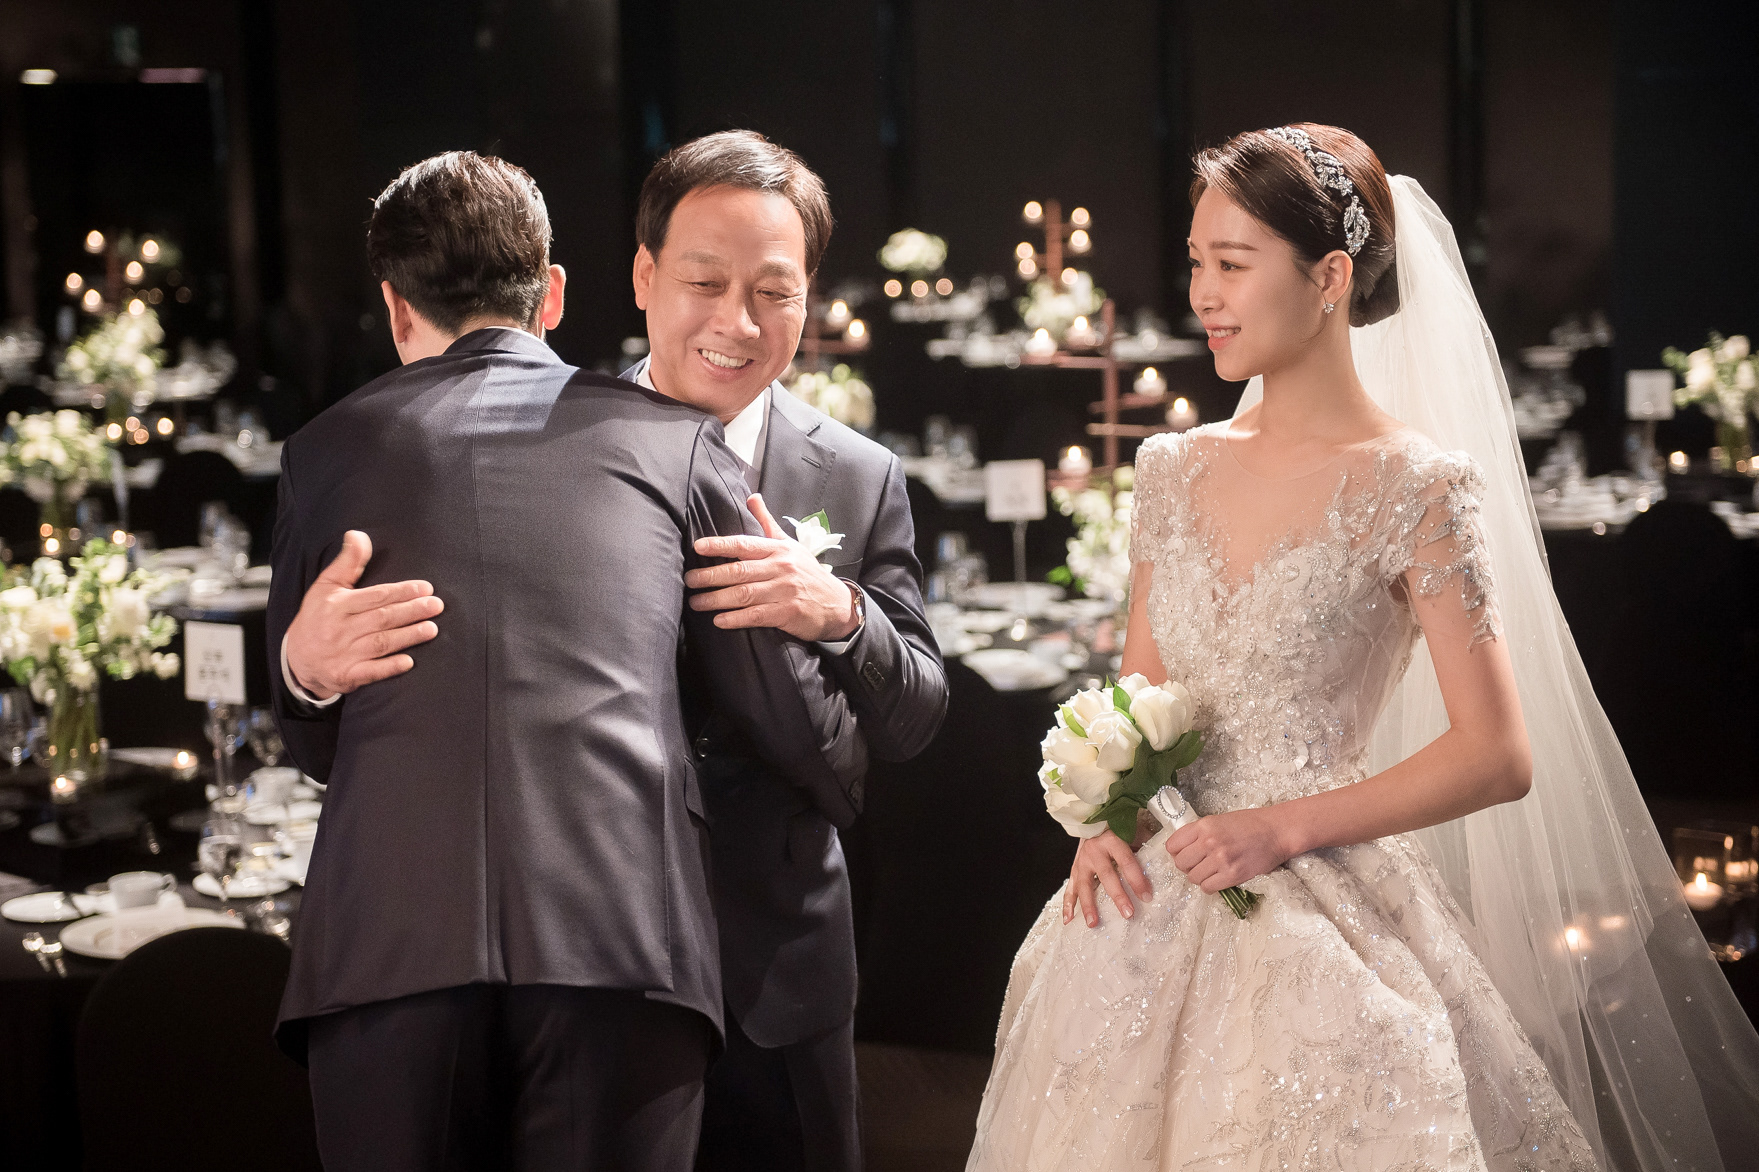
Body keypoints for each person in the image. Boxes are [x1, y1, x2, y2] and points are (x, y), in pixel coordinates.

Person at [967, 124, 1759, 1171]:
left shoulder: (1417, 485)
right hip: (1150, 894)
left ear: (1330, 278)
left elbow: (1495, 753)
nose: (1202, 295)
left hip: (1324, 895)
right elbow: (1139, 692)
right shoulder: (1171, 468)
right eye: (1196, 263)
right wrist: (1106, 817)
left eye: (1232, 265)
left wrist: (1276, 828)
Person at [282, 130, 948, 1172]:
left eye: (773, 292)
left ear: (809, 296)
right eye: (704, 283)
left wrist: (840, 612)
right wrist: (306, 666)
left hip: (772, 967)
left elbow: (916, 709)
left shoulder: (858, 474)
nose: (736, 322)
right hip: (597, 946)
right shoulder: (555, 432)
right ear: (641, 277)